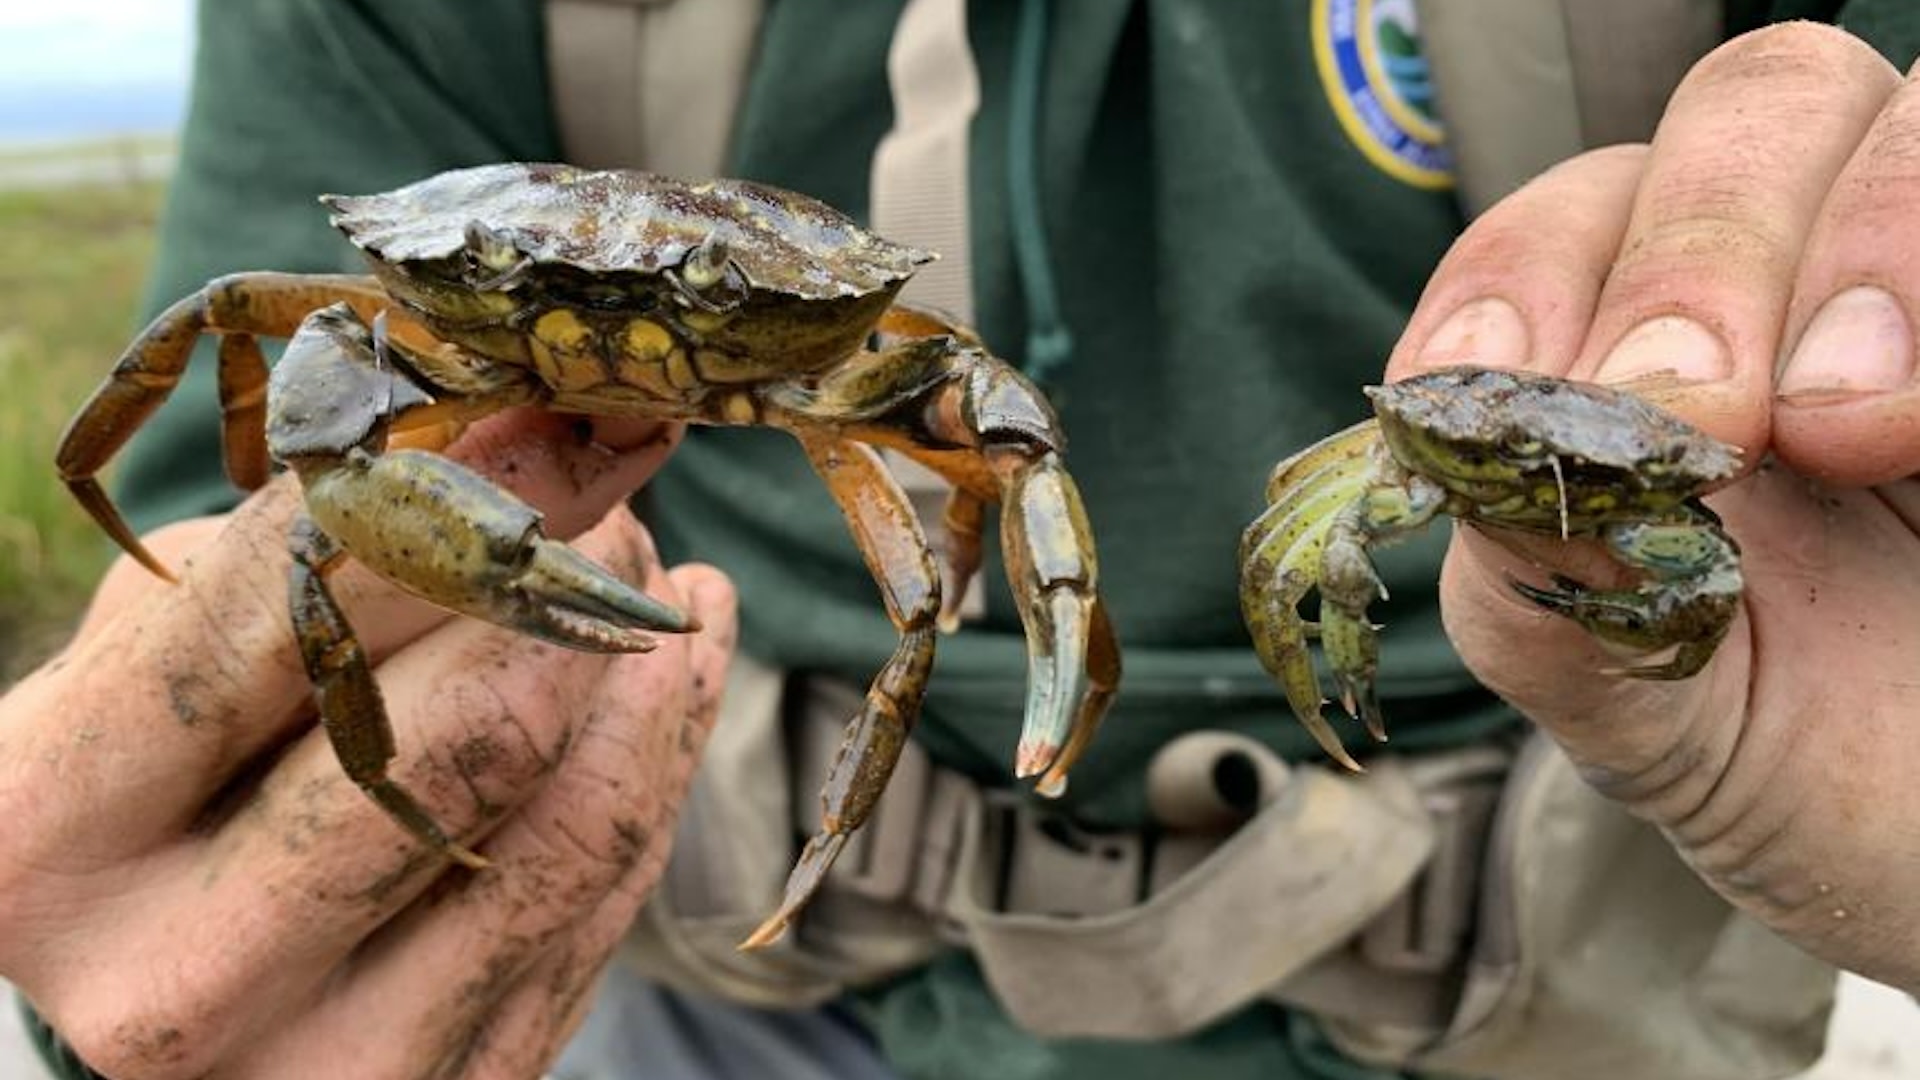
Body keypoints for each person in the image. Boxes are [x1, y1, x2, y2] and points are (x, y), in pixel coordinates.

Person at [3, 1, 1919, 1078]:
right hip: (687, 993)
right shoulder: (387, 244)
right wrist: (192, 846)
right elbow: (212, 501)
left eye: (685, 314)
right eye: (539, 284)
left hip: (1569, 1003)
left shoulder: (895, 376)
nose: (624, 326)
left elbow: (986, 475)